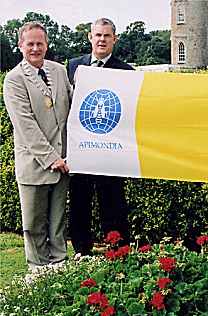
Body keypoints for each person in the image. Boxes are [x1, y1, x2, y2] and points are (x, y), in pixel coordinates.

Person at [3, 22, 71, 270]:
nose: (35, 48)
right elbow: (25, 125)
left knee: (58, 225)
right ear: (20, 46)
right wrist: (52, 158)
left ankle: (60, 269)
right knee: (33, 226)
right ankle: (38, 272)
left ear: (47, 44)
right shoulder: (14, 80)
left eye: (39, 43)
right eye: (29, 44)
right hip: (35, 166)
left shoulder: (60, 71)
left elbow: (74, 108)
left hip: (63, 165)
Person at [66, 18, 133, 256]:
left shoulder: (126, 71)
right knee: (79, 201)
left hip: (111, 150)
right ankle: (81, 249)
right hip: (81, 147)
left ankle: (118, 251)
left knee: (112, 201)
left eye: (106, 36)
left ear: (114, 39)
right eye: (98, 35)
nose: (102, 40)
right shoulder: (73, 66)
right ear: (90, 37)